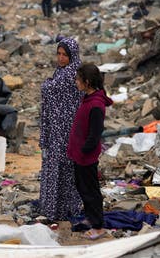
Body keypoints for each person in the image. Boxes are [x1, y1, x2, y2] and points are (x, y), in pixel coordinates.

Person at [39, 37, 84, 222]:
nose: (61, 58)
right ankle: (54, 207)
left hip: (66, 130)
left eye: (65, 54)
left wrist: (46, 84)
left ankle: (61, 209)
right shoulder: (61, 71)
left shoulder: (72, 72)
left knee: (63, 168)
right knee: (57, 165)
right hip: (57, 128)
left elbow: (49, 89)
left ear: (72, 56)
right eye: (58, 54)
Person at [67, 63, 113, 240]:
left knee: (91, 190)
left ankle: (98, 226)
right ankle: (90, 218)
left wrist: (84, 150)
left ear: (87, 82)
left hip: (86, 156)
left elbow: (95, 134)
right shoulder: (88, 98)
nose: (75, 82)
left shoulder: (96, 105)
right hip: (80, 155)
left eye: (78, 79)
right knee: (82, 187)